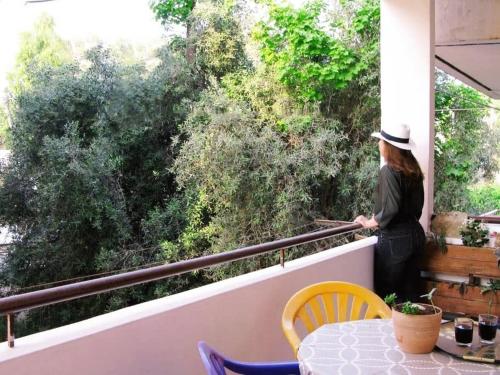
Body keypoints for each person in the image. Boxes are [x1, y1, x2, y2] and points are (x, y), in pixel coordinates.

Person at [354, 123, 425, 302]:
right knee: (410, 296)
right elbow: (418, 208)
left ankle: (390, 331)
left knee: (388, 297)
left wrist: (369, 222)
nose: (378, 144)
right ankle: (410, 330)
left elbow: (391, 208)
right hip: (415, 235)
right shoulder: (413, 171)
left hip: (395, 240)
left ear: (388, 147)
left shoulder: (388, 171)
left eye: (380, 140)